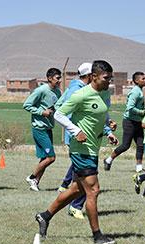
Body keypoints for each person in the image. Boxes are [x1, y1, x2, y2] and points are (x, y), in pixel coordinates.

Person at [35, 60, 119, 244]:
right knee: (93, 190)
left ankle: (44, 216)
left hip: (92, 149)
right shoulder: (81, 94)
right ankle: (97, 236)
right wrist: (75, 131)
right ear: (94, 76)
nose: (109, 81)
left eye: (111, 78)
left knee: (76, 189)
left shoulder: (104, 93)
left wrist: (108, 130)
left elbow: (100, 115)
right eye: (106, 78)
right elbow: (59, 114)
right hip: (80, 150)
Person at [56, 63, 92, 219]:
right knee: (88, 175)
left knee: (81, 171)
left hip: (81, 135)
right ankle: (75, 205)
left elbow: (58, 104)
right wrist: (75, 128)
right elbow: (60, 110)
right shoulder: (77, 90)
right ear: (90, 75)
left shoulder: (74, 88)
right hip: (78, 135)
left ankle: (65, 186)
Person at [23, 68, 61, 191]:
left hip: (48, 128)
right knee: (51, 157)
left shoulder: (57, 92)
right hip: (39, 128)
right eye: (57, 78)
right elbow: (27, 105)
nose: (59, 80)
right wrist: (42, 112)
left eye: (60, 77)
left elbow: (57, 107)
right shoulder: (41, 90)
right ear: (49, 78)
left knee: (44, 158)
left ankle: (35, 183)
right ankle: (31, 176)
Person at [104, 72, 145, 173]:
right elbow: (130, 108)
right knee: (125, 145)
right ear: (136, 81)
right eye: (143, 79)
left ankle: (139, 167)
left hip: (137, 122)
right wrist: (142, 112)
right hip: (129, 122)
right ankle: (108, 160)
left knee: (141, 144)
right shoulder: (135, 92)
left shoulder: (140, 91)